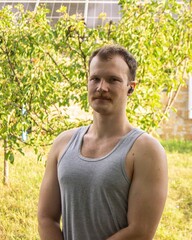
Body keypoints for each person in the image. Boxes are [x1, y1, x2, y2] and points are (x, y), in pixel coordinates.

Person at [38, 45, 168, 240]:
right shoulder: (63, 143)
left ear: (131, 87)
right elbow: (46, 218)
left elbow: (140, 232)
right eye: (95, 78)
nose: (101, 87)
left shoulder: (146, 150)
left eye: (113, 80)